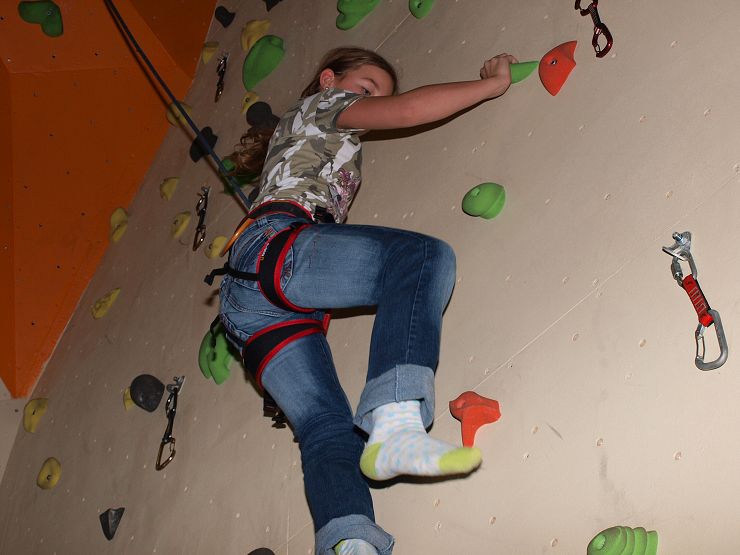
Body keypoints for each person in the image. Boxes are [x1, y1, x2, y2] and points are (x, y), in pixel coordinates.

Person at [218, 46, 517, 555]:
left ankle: (351, 544)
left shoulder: (317, 136)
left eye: (379, 95)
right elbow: (408, 110)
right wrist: (492, 85)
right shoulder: (320, 106)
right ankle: (396, 421)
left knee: (326, 430)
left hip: (250, 305)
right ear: (328, 79)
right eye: (366, 88)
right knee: (420, 258)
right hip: (273, 248)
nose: (372, 101)